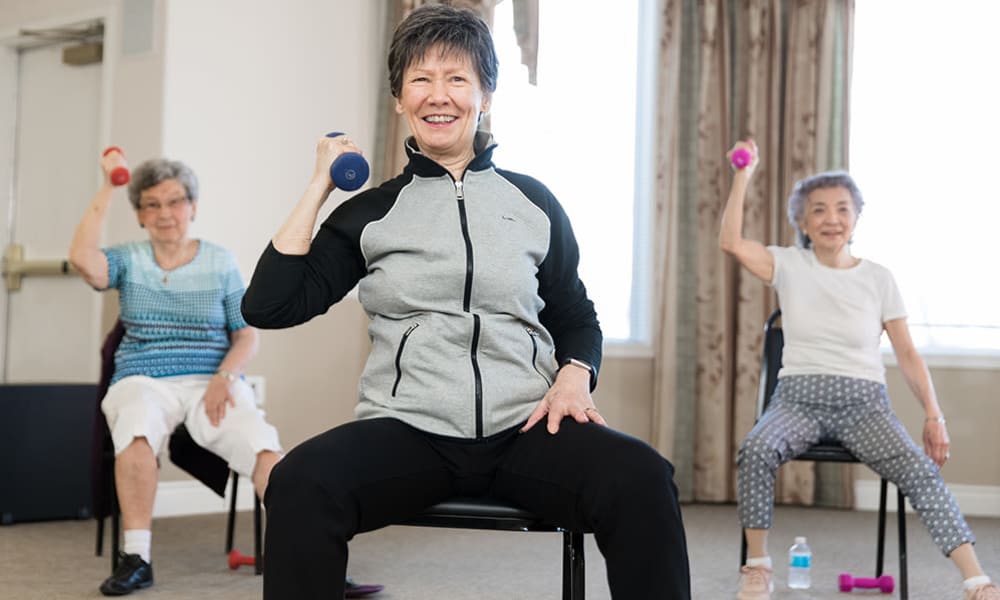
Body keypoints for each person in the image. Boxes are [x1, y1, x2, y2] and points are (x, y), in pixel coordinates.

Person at [240, 5, 691, 599]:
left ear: (486, 95)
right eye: (421, 79)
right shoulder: (370, 213)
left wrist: (576, 374)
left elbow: (576, 315)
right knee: (298, 481)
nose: (439, 95)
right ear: (399, 98)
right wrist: (319, 186)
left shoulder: (533, 202)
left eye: (457, 79)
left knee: (642, 477)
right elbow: (269, 307)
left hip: (527, 426)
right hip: (409, 429)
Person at [69, 156, 382, 598]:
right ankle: (136, 558)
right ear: (139, 213)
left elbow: (245, 336)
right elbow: (82, 259)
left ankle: (312, 559)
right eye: (152, 205)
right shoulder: (127, 259)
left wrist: (224, 377)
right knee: (136, 427)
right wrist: (108, 186)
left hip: (211, 381)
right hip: (143, 378)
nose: (164, 213)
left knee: (263, 446)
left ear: (192, 206)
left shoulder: (218, 261)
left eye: (175, 202)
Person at [719, 140, 999, 600]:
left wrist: (934, 413)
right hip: (797, 399)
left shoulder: (879, 278)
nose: (832, 218)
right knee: (756, 449)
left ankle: (976, 580)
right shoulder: (788, 264)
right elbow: (730, 242)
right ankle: (758, 566)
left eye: (842, 209)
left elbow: (908, 354)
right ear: (803, 222)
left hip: (865, 405)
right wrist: (743, 175)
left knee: (921, 471)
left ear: (856, 218)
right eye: (819, 210)